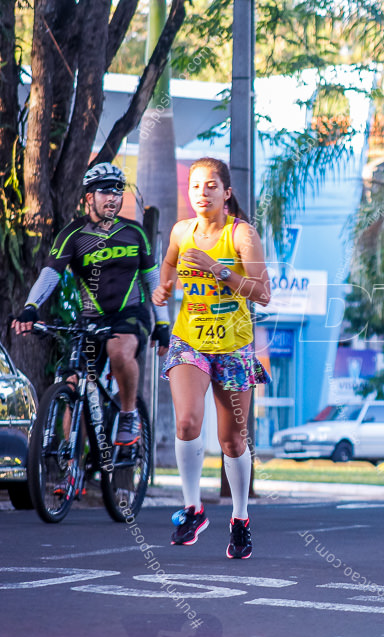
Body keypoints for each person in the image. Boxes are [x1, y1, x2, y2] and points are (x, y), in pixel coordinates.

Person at [152, 157, 271, 559]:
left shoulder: (242, 236)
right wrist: (164, 287)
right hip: (190, 339)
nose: (201, 193)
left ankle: (240, 518)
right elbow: (168, 262)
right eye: (195, 186)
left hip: (234, 343)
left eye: (210, 186)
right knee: (187, 422)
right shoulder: (182, 231)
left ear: (226, 192)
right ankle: (192, 508)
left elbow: (263, 293)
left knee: (231, 438)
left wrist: (219, 271)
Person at [11, 163, 170, 445]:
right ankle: (73, 471)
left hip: (129, 314)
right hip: (90, 319)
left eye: (118, 191)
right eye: (105, 191)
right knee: (75, 386)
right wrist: (30, 306)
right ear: (88, 197)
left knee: (119, 351)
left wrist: (162, 324)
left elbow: (152, 280)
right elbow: (51, 273)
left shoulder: (134, 232)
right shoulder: (73, 235)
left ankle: (129, 413)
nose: (113, 198)